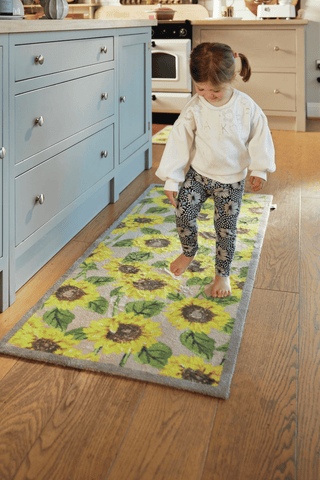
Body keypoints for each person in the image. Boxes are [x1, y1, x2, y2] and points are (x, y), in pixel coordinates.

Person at [155, 42, 276, 298]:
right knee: (183, 213)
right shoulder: (194, 107)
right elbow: (179, 140)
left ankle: (222, 275)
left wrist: (260, 169)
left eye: (216, 91)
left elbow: (260, 137)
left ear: (232, 78)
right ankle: (189, 251)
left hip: (231, 182)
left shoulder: (246, 108)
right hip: (198, 175)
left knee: (225, 229)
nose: (209, 95)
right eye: (201, 88)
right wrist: (172, 178)